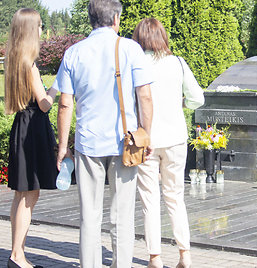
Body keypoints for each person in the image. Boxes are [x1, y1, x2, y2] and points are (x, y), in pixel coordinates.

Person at [53, 0, 153, 267]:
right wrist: (146, 134)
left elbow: (65, 103)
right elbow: (144, 95)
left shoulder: (74, 53)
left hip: (88, 143)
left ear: (90, 19)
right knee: (122, 215)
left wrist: (63, 147)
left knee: (90, 215)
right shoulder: (131, 49)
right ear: (116, 19)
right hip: (126, 143)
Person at [132, 18, 204, 268]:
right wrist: (180, 103)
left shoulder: (135, 63)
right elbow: (197, 98)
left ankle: (155, 257)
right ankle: (185, 254)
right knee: (175, 197)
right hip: (175, 138)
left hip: (146, 139)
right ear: (162, 36)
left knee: (149, 199)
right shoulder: (178, 63)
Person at [4, 8, 58, 268]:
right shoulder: (30, 64)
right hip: (32, 130)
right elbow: (45, 104)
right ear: (29, 31)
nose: (41, 30)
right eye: (38, 26)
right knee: (29, 195)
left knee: (20, 194)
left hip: (21, 126)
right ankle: (17, 255)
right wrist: (58, 85)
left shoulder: (15, 60)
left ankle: (17, 253)